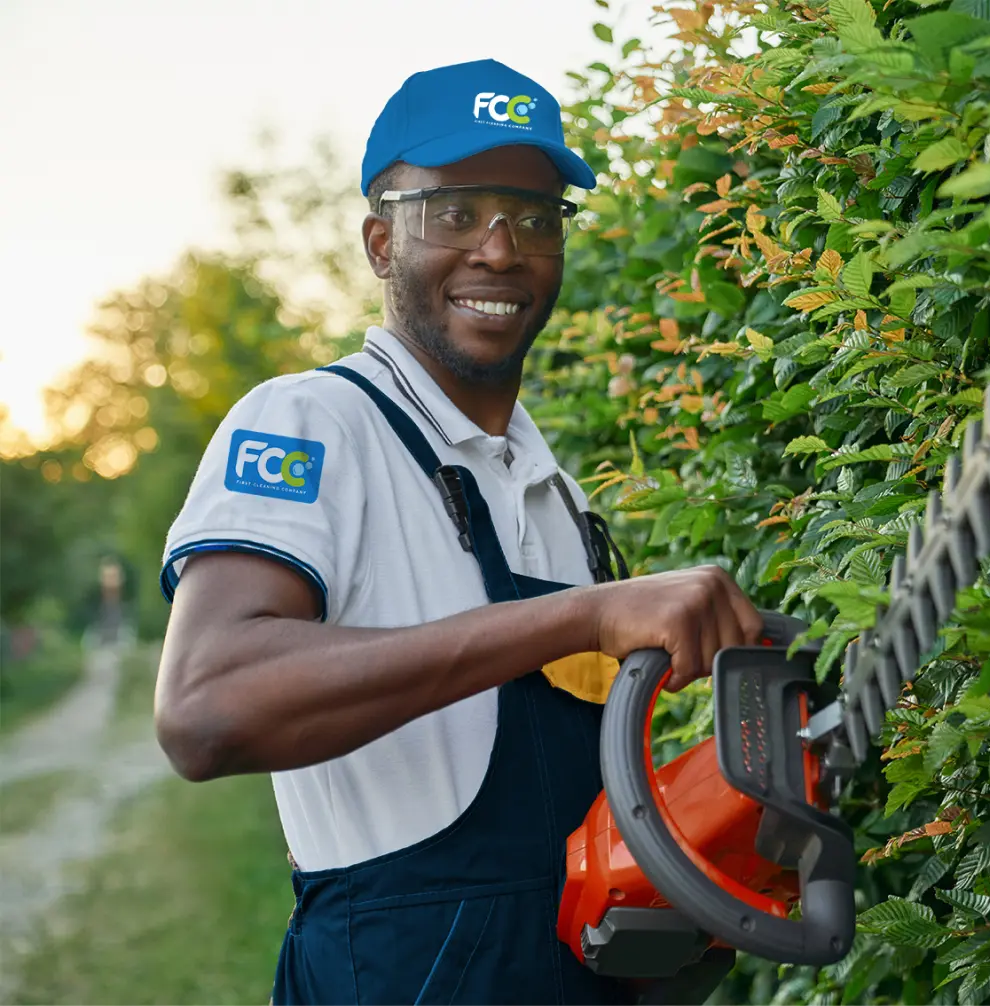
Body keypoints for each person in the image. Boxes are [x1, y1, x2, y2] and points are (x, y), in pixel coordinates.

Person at [154, 58, 764, 1006]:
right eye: (456, 211)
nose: (500, 249)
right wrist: (582, 618)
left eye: (534, 215)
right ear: (379, 242)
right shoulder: (311, 422)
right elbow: (205, 709)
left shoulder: (553, 488)